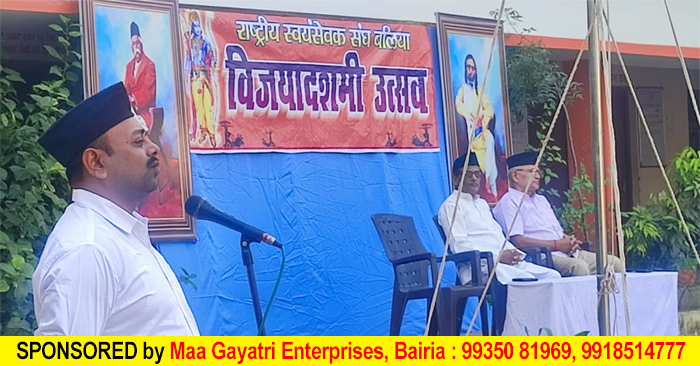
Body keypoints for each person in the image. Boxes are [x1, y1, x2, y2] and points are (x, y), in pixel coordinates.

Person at [33, 82, 199, 335]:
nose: (153, 148)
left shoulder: (120, 235)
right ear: (96, 162)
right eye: (138, 142)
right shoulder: (87, 249)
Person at [493, 151, 624, 276]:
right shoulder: (508, 202)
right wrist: (556, 245)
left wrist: (569, 240)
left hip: (567, 252)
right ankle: (583, 300)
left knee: (614, 263)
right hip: (542, 257)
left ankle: (613, 300)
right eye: (532, 172)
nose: (538, 176)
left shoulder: (541, 200)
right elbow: (518, 241)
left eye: (538, 172)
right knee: (578, 267)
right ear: (516, 176)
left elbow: (555, 231)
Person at [438, 153, 561, 286]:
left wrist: (513, 253)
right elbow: (459, 246)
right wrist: (498, 257)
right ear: (456, 179)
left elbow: (498, 236)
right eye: (468, 174)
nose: (474, 178)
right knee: (525, 280)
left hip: (505, 263)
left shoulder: (482, 204)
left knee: (553, 276)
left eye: (478, 174)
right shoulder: (451, 206)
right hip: (480, 267)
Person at [455, 54, 498, 196]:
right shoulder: (463, 89)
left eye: (473, 68)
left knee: (490, 139)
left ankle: (488, 180)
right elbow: (458, 104)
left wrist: (484, 116)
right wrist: (470, 113)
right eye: (468, 67)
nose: (470, 71)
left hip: (481, 131)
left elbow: (489, 108)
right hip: (471, 132)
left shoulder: (480, 91)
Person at [185, 10, 217, 147]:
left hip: (205, 78)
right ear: (192, 27)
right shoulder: (190, 44)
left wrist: (212, 68)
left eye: (198, 25)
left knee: (207, 107)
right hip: (194, 79)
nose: (197, 29)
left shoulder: (205, 42)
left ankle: (212, 134)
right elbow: (188, 60)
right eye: (194, 26)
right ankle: (202, 131)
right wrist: (186, 76)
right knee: (199, 108)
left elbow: (212, 59)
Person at [124, 21, 156, 130]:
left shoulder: (149, 65)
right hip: (131, 112)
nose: (136, 47)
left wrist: (133, 99)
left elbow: (147, 91)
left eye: (137, 43)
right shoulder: (129, 66)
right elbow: (126, 88)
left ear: (141, 44)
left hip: (145, 113)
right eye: (133, 44)